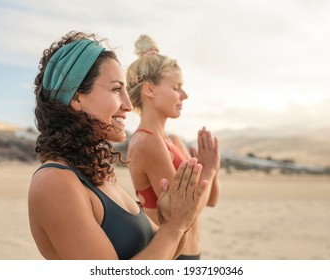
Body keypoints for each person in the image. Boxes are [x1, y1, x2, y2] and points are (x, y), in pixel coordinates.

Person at [28, 31, 208, 260]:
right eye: (115, 89)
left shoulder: (101, 176)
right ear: (75, 98)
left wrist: (177, 221)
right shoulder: (54, 182)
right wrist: (173, 228)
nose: (128, 105)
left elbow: (164, 253)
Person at [126, 35, 221, 260]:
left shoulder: (174, 141)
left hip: (191, 254)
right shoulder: (147, 143)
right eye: (176, 87)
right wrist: (209, 170)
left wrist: (211, 170)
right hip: (172, 257)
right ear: (149, 89)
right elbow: (184, 216)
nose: (184, 95)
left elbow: (211, 200)